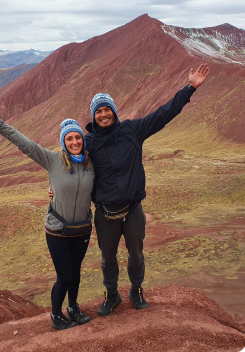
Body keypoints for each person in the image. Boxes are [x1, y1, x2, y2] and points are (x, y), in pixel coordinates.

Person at [83, 63, 210, 316]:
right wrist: (55, 189)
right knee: (107, 260)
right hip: (105, 213)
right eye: (99, 111)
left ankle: (136, 291)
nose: (104, 114)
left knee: (137, 256)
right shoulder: (88, 142)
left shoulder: (132, 130)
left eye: (108, 109)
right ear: (93, 115)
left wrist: (190, 88)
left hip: (133, 210)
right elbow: (68, 165)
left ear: (114, 112)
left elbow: (164, 114)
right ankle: (111, 295)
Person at [0, 100, 95, 330]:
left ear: (83, 139)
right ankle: (56, 315)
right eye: (69, 138)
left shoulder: (92, 164)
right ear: (63, 142)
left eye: (77, 137)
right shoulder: (52, 160)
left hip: (81, 229)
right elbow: (25, 144)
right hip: (57, 230)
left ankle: (73, 308)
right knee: (65, 275)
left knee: (76, 272)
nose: (74, 142)